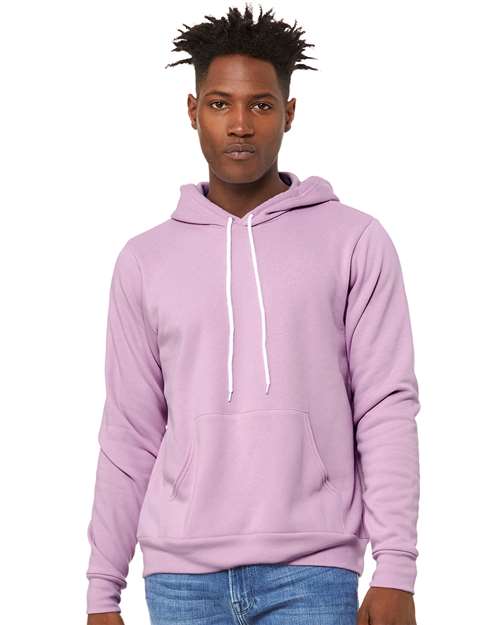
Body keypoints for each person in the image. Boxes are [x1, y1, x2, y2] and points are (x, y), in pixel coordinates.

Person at [85, 4, 420, 625]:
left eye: (260, 105)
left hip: (313, 571)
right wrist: (102, 589)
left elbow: (384, 407)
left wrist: (396, 567)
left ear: (288, 113)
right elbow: (129, 429)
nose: (240, 125)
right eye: (220, 104)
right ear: (193, 111)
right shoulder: (144, 260)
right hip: (180, 581)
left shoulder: (354, 240)